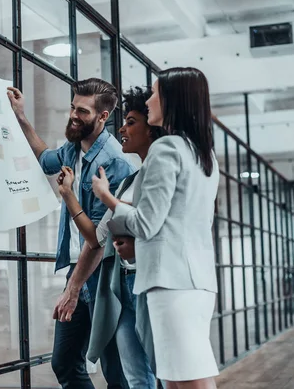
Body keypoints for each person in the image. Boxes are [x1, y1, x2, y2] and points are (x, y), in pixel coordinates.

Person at [92, 67, 220, 389]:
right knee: (181, 376)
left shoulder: (166, 149)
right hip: (197, 281)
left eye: (154, 93)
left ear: (172, 100)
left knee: (185, 379)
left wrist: (109, 200)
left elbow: (146, 225)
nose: (148, 100)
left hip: (170, 282)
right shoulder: (203, 153)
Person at [7, 79, 136, 388]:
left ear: (103, 117)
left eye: (82, 110)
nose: (74, 115)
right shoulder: (72, 148)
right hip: (79, 273)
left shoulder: (114, 163)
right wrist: (21, 117)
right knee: (64, 361)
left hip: (106, 276)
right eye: (72, 107)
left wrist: (73, 288)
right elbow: (45, 159)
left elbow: (98, 239)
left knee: (116, 371)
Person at [53, 86, 165, 389]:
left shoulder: (124, 165)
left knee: (151, 373)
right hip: (120, 283)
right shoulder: (131, 177)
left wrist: (95, 197)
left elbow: (137, 228)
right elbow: (102, 234)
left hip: (138, 282)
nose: (123, 130)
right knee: (133, 376)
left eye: (130, 122)